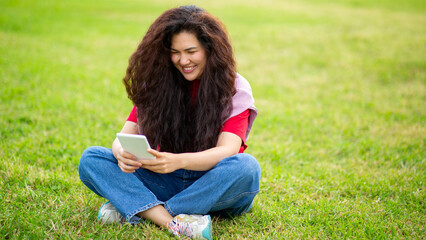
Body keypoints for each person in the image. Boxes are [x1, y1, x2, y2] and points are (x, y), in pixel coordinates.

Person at [78, 5, 260, 239]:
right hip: (162, 178)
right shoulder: (157, 82)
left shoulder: (235, 87)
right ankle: (173, 221)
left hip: (211, 184)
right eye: (175, 52)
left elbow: (228, 151)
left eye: (191, 51)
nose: (183, 60)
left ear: (209, 49)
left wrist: (177, 161)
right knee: (92, 159)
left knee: (247, 168)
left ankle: (139, 208)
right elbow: (123, 138)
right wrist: (121, 152)